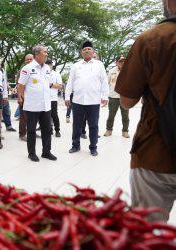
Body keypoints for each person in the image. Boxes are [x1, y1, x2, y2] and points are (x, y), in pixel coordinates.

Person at [115, 0, 176, 222]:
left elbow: (127, 101)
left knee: (146, 234)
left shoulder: (152, 39)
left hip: (155, 156)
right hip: (155, 156)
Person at [65, 41, 109, 156]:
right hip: (78, 101)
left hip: (94, 101)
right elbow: (70, 82)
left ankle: (93, 147)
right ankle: (75, 145)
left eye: (89, 49)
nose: (86, 51)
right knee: (77, 125)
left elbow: (104, 81)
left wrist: (105, 96)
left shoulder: (99, 65)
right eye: (84, 49)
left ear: (93, 51)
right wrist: (67, 96)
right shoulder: (76, 66)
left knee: (93, 125)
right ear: (81, 53)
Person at [18, 45, 57, 162]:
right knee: (31, 130)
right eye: (45, 52)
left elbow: (49, 83)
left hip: (46, 105)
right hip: (32, 106)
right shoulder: (27, 68)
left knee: (47, 129)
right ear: (37, 54)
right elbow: (21, 85)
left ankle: (46, 152)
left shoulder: (47, 68)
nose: (46, 54)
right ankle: (31, 153)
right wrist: (22, 98)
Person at [104, 56, 130, 138]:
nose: (122, 63)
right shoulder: (111, 71)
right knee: (111, 115)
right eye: (120, 61)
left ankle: (125, 131)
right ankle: (109, 130)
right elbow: (106, 84)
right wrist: (104, 96)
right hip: (113, 97)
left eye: (123, 61)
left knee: (125, 116)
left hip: (124, 97)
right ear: (116, 62)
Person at [17, 54, 34, 141]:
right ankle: (22, 134)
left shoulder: (36, 69)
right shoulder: (22, 70)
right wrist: (20, 97)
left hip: (33, 98)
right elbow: (19, 85)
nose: (29, 61)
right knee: (23, 117)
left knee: (33, 117)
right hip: (24, 98)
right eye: (27, 59)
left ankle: (32, 133)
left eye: (31, 59)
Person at [46, 59, 63, 138]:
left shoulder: (56, 74)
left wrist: (51, 84)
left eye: (50, 64)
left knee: (54, 115)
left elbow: (60, 86)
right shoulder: (42, 73)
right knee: (45, 116)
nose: (49, 66)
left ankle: (57, 130)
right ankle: (49, 129)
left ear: (52, 65)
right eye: (47, 64)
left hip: (53, 99)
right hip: (44, 98)